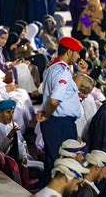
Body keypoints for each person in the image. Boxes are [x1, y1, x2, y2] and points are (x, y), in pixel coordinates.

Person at [38, 37, 84, 178]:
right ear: (69, 52)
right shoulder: (62, 71)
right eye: (77, 53)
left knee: (53, 163)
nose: (79, 56)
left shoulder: (53, 66)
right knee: (63, 166)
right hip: (60, 124)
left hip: (56, 123)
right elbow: (53, 100)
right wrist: (47, 115)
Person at [0, 99, 27, 164]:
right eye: (8, 112)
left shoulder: (13, 125)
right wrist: (9, 138)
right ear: (0, 113)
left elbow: (20, 144)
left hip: (18, 160)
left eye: (13, 112)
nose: (11, 116)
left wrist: (24, 157)